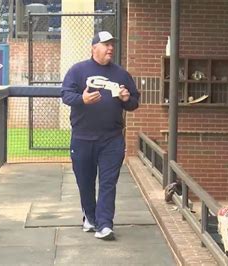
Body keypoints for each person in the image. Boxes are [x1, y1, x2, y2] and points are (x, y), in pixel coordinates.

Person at [61, 31, 140, 240]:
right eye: (105, 44)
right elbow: (66, 95)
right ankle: (90, 216)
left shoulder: (121, 74)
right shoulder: (78, 71)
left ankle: (104, 224)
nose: (110, 48)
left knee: (108, 183)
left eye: (112, 44)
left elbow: (134, 102)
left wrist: (125, 98)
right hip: (82, 138)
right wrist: (82, 99)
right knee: (85, 182)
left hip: (111, 139)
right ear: (94, 47)